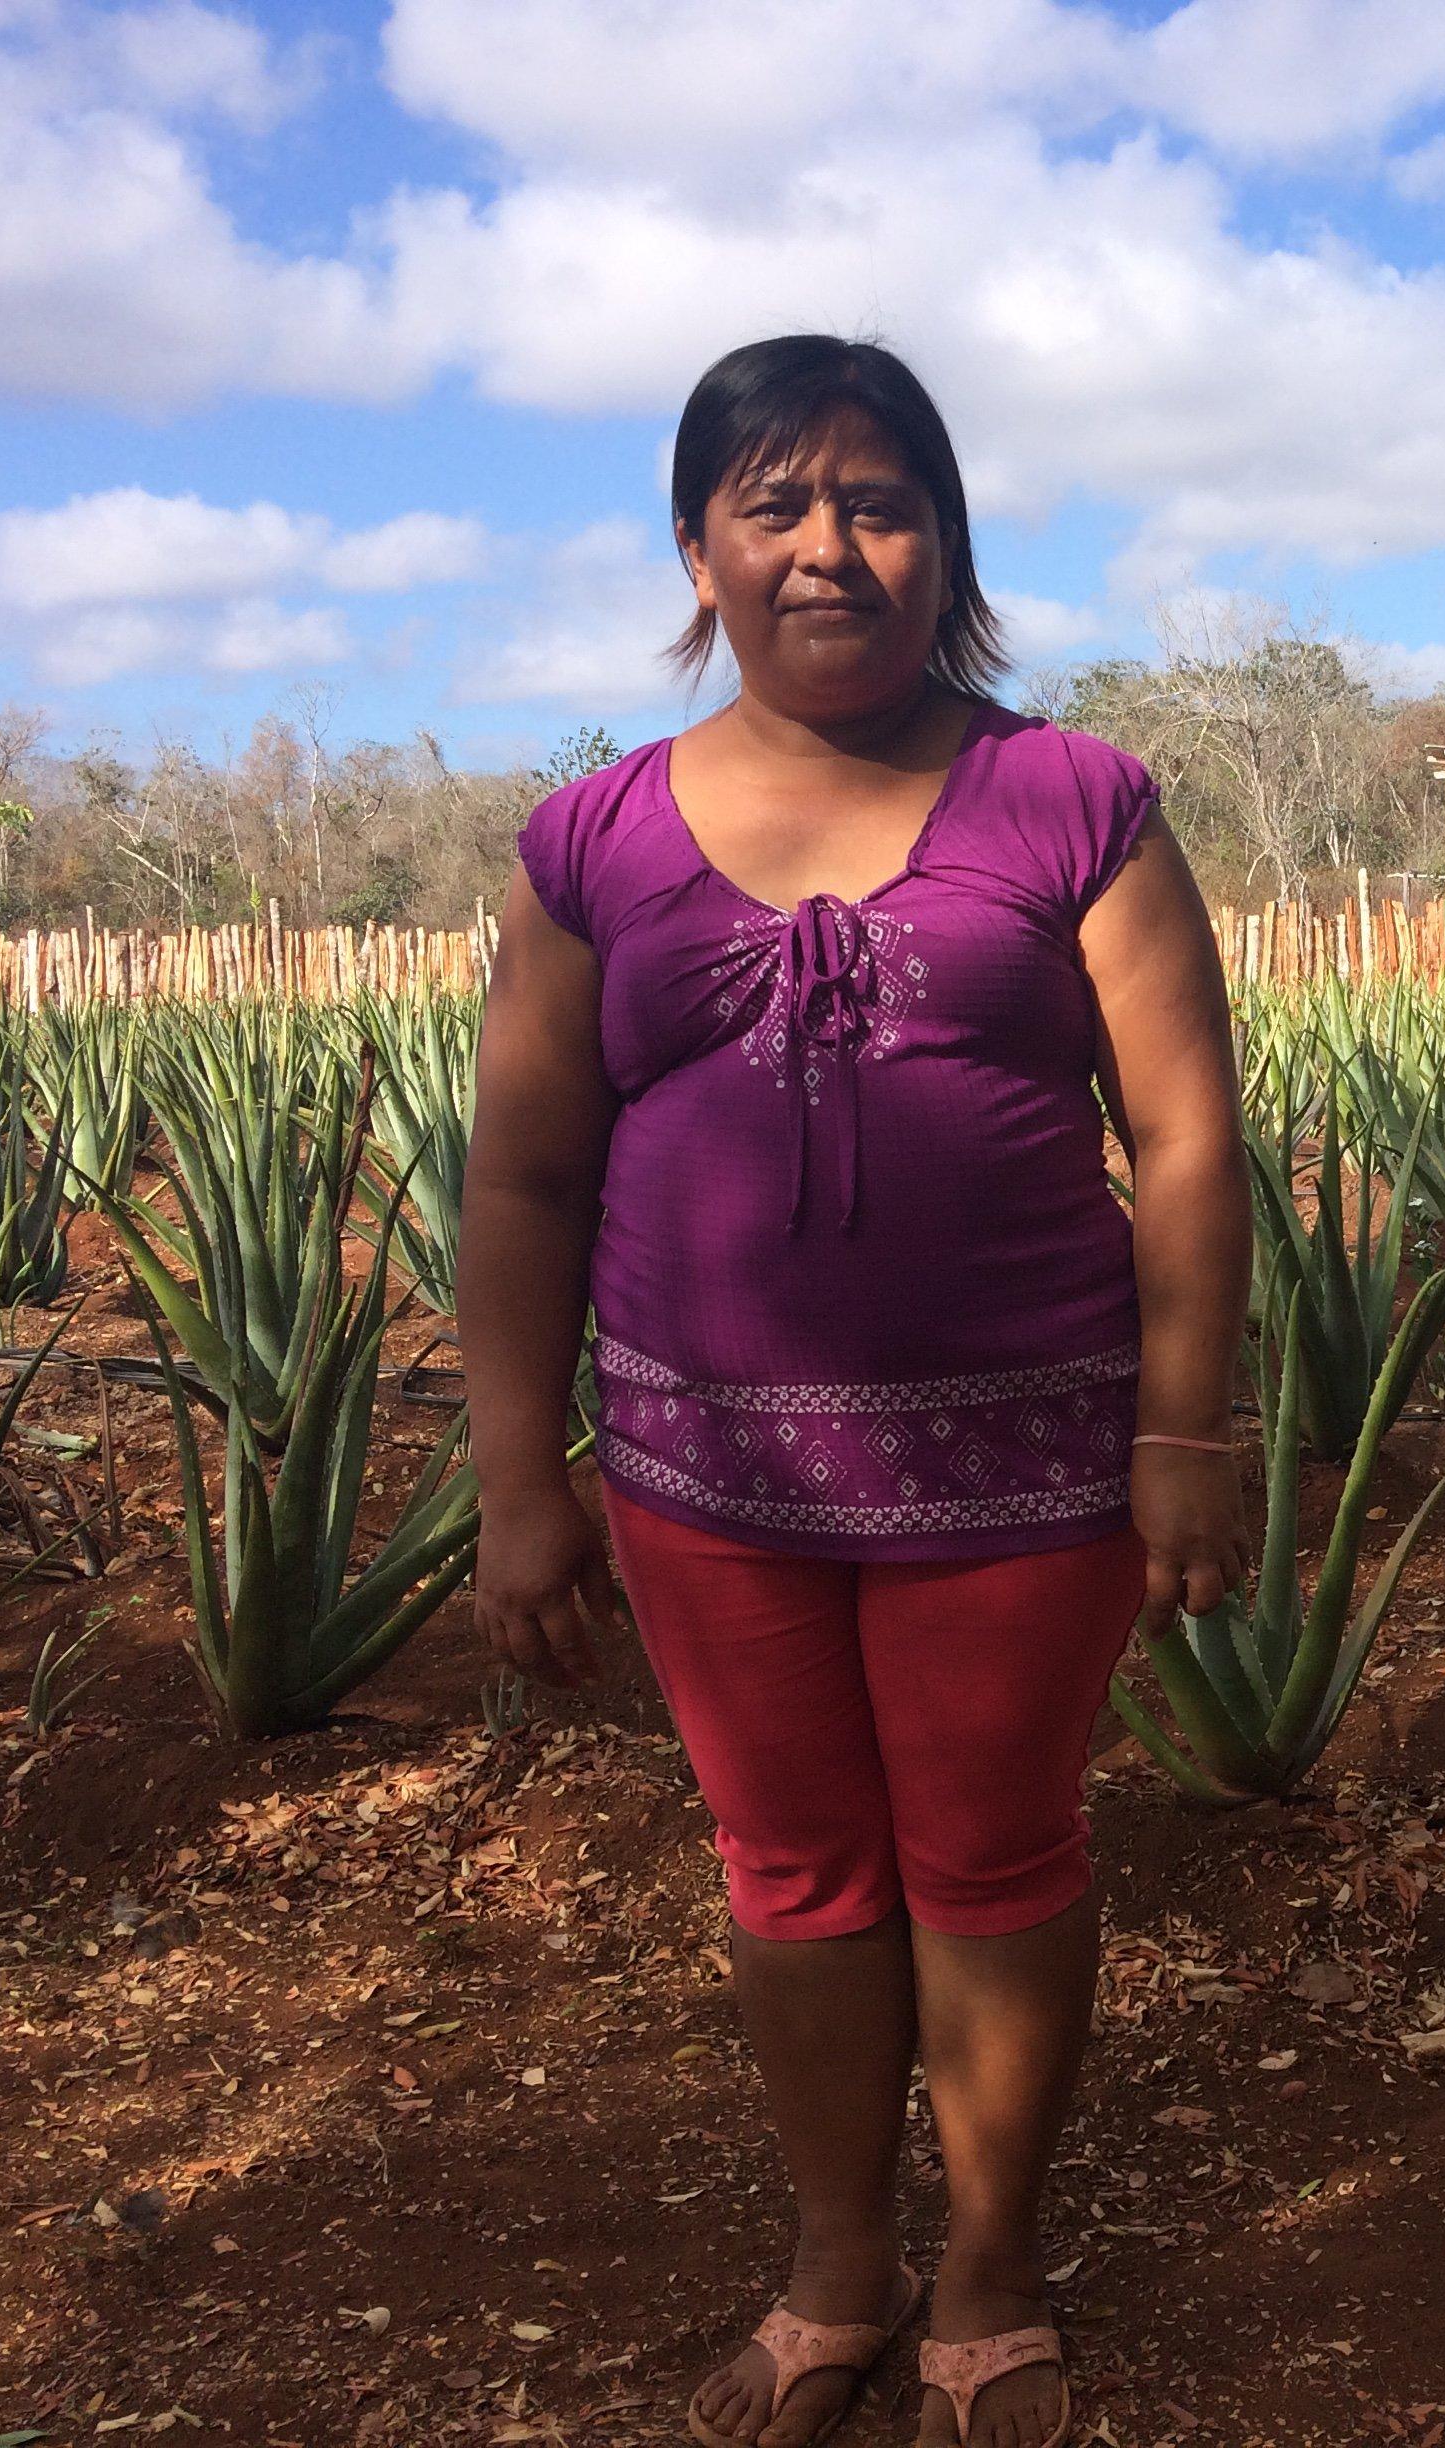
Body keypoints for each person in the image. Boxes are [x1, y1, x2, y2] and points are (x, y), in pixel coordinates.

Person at [461, 334, 1251, 2448]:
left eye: (880, 501)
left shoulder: (1072, 801)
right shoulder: (589, 842)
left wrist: (1189, 1434)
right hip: (706, 1485)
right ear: (700, 552)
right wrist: (515, 1476)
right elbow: (526, 1177)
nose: (831, 546)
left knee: (995, 1855)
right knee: (791, 1867)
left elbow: (1186, 1137)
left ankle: (991, 2274)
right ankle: (839, 2262)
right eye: (777, 504)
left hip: (1030, 1473)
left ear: (947, 542)